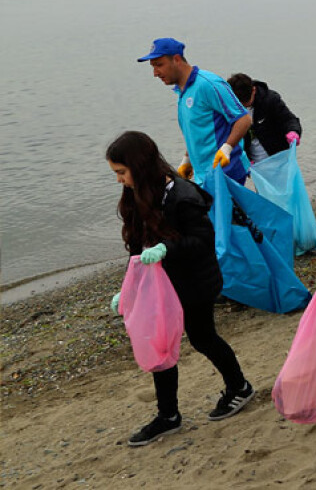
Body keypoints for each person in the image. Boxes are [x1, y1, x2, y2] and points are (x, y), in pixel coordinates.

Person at [106, 131, 254, 447]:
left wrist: (165, 248)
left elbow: (201, 242)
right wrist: (129, 290)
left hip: (196, 281)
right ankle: (168, 416)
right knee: (160, 345)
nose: (119, 180)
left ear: (139, 166)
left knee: (202, 338)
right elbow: (136, 249)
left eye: (121, 172)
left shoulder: (182, 195)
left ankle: (239, 387)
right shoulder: (138, 195)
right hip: (162, 286)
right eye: (115, 173)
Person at [138, 38, 250, 185]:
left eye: (159, 65)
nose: (155, 73)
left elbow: (244, 119)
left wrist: (227, 148)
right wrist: (187, 160)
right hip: (203, 175)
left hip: (226, 173)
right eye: (153, 67)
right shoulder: (182, 92)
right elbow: (198, 132)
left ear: (177, 59)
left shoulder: (208, 84)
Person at [226, 73, 302, 164]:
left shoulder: (270, 99)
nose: (244, 106)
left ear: (254, 90)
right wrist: (244, 158)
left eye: (247, 102)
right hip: (256, 162)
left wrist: (293, 131)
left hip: (279, 157)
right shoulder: (229, 108)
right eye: (239, 103)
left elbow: (289, 120)